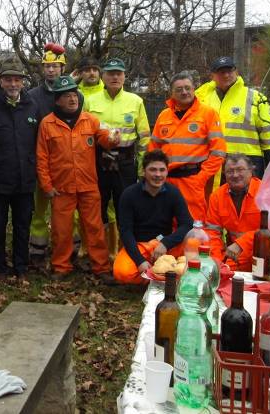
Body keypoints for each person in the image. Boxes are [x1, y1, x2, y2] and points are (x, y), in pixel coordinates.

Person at [36, 75, 120, 283]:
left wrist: (111, 139)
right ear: (57, 100)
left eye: (74, 95)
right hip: (61, 187)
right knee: (61, 230)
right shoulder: (47, 124)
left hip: (88, 185)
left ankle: (101, 267)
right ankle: (61, 266)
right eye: (67, 96)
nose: (72, 99)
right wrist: (46, 185)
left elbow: (103, 138)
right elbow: (41, 157)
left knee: (94, 228)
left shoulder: (89, 119)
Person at [0, 57, 40, 280]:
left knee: (22, 225)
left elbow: (38, 142)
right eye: (8, 80)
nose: (13, 84)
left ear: (23, 82)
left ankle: (21, 265)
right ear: (1, 82)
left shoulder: (33, 106)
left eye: (17, 80)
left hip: (25, 179)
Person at [84, 57, 150, 255]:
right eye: (110, 73)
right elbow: (84, 134)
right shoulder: (90, 101)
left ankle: (125, 253)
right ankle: (99, 253)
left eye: (118, 73)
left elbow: (145, 137)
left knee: (126, 207)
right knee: (98, 207)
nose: (114, 77)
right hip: (98, 162)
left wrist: (142, 169)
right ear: (103, 76)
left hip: (125, 163)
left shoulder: (135, 101)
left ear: (124, 77)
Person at [149, 72, 226, 222]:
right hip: (166, 180)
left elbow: (218, 151)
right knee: (166, 223)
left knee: (194, 226)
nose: (184, 92)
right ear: (171, 93)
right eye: (179, 89)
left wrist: (201, 178)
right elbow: (153, 149)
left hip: (192, 179)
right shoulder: (164, 115)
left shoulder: (208, 113)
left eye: (187, 88)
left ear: (194, 89)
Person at [113, 149, 193, 285]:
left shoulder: (173, 193)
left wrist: (165, 243)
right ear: (144, 171)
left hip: (166, 246)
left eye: (162, 170)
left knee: (195, 241)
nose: (158, 174)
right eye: (153, 170)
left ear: (167, 172)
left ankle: (163, 272)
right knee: (122, 273)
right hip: (140, 246)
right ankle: (161, 275)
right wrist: (139, 261)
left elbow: (187, 224)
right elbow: (125, 231)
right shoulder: (129, 195)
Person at [195, 56, 270, 178]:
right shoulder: (201, 99)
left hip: (248, 164)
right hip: (211, 165)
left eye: (229, 71)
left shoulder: (256, 98)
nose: (226, 75)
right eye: (221, 72)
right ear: (212, 76)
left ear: (236, 72)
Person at [205, 153, 270, 271]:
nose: (235, 175)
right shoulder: (216, 197)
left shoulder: (267, 193)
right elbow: (212, 234)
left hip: (269, 247)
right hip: (238, 254)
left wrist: (242, 243)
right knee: (220, 269)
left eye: (240, 170)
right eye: (230, 171)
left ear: (251, 171)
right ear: (224, 174)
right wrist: (217, 261)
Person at [28, 42, 66, 264]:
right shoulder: (32, 95)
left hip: (65, 161)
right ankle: (37, 250)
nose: (51, 70)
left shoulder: (72, 93)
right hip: (40, 160)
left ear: (62, 69)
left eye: (55, 66)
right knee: (39, 209)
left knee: (66, 210)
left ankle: (68, 250)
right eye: (47, 66)